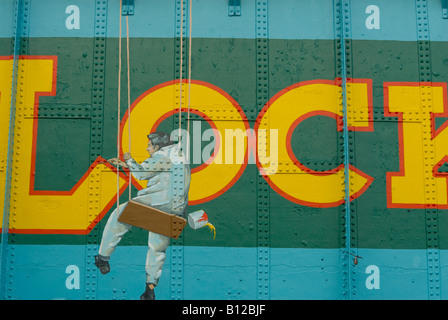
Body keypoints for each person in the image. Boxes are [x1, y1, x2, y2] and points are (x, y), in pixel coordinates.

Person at [95, 131, 191, 300]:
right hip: (174, 211)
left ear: (157, 145)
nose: (147, 149)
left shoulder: (162, 155)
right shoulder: (178, 155)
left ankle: (102, 257)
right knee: (157, 248)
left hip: (155, 205)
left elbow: (141, 174)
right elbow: (160, 171)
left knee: (118, 217)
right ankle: (150, 288)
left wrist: (129, 159)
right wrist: (125, 165)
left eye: (149, 145)